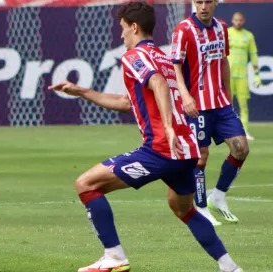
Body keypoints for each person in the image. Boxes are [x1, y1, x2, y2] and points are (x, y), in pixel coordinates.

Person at [49, 2, 242, 272]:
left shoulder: (134, 57)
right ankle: (230, 267)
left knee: (86, 184)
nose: (121, 35)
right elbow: (128, 102)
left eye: (123, 28)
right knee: (184, 209)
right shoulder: (162, 57)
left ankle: (114, 257)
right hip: (186, 152)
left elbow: (158, 84)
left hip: (162, 149)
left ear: (134, 27)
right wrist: (81, 91)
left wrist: (169, 127)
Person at [171, 0, 249, 226]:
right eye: (198, 2)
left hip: (221, 104)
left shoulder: (222, 27)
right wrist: (185, 96)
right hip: (197, 104)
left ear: (215, 3)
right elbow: (176, 65)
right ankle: (201, 207)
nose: (203, 6)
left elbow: (223, 60)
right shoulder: (184, 29)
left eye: (207, 1)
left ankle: (218, 196)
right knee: (201, 156)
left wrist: (229, 94)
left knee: (241, 148)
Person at [228, 11, 262, 140]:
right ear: (232, 20)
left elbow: (253, 55)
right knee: (228, 106)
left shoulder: (248, 36)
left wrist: (257, 75)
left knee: (243, 105)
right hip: (228, 76)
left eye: (240, 20)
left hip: (242, 76)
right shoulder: (227, 33)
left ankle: (244, 132)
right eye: (235, 20)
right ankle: (230, 131)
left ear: (243, 21)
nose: (237, 22)